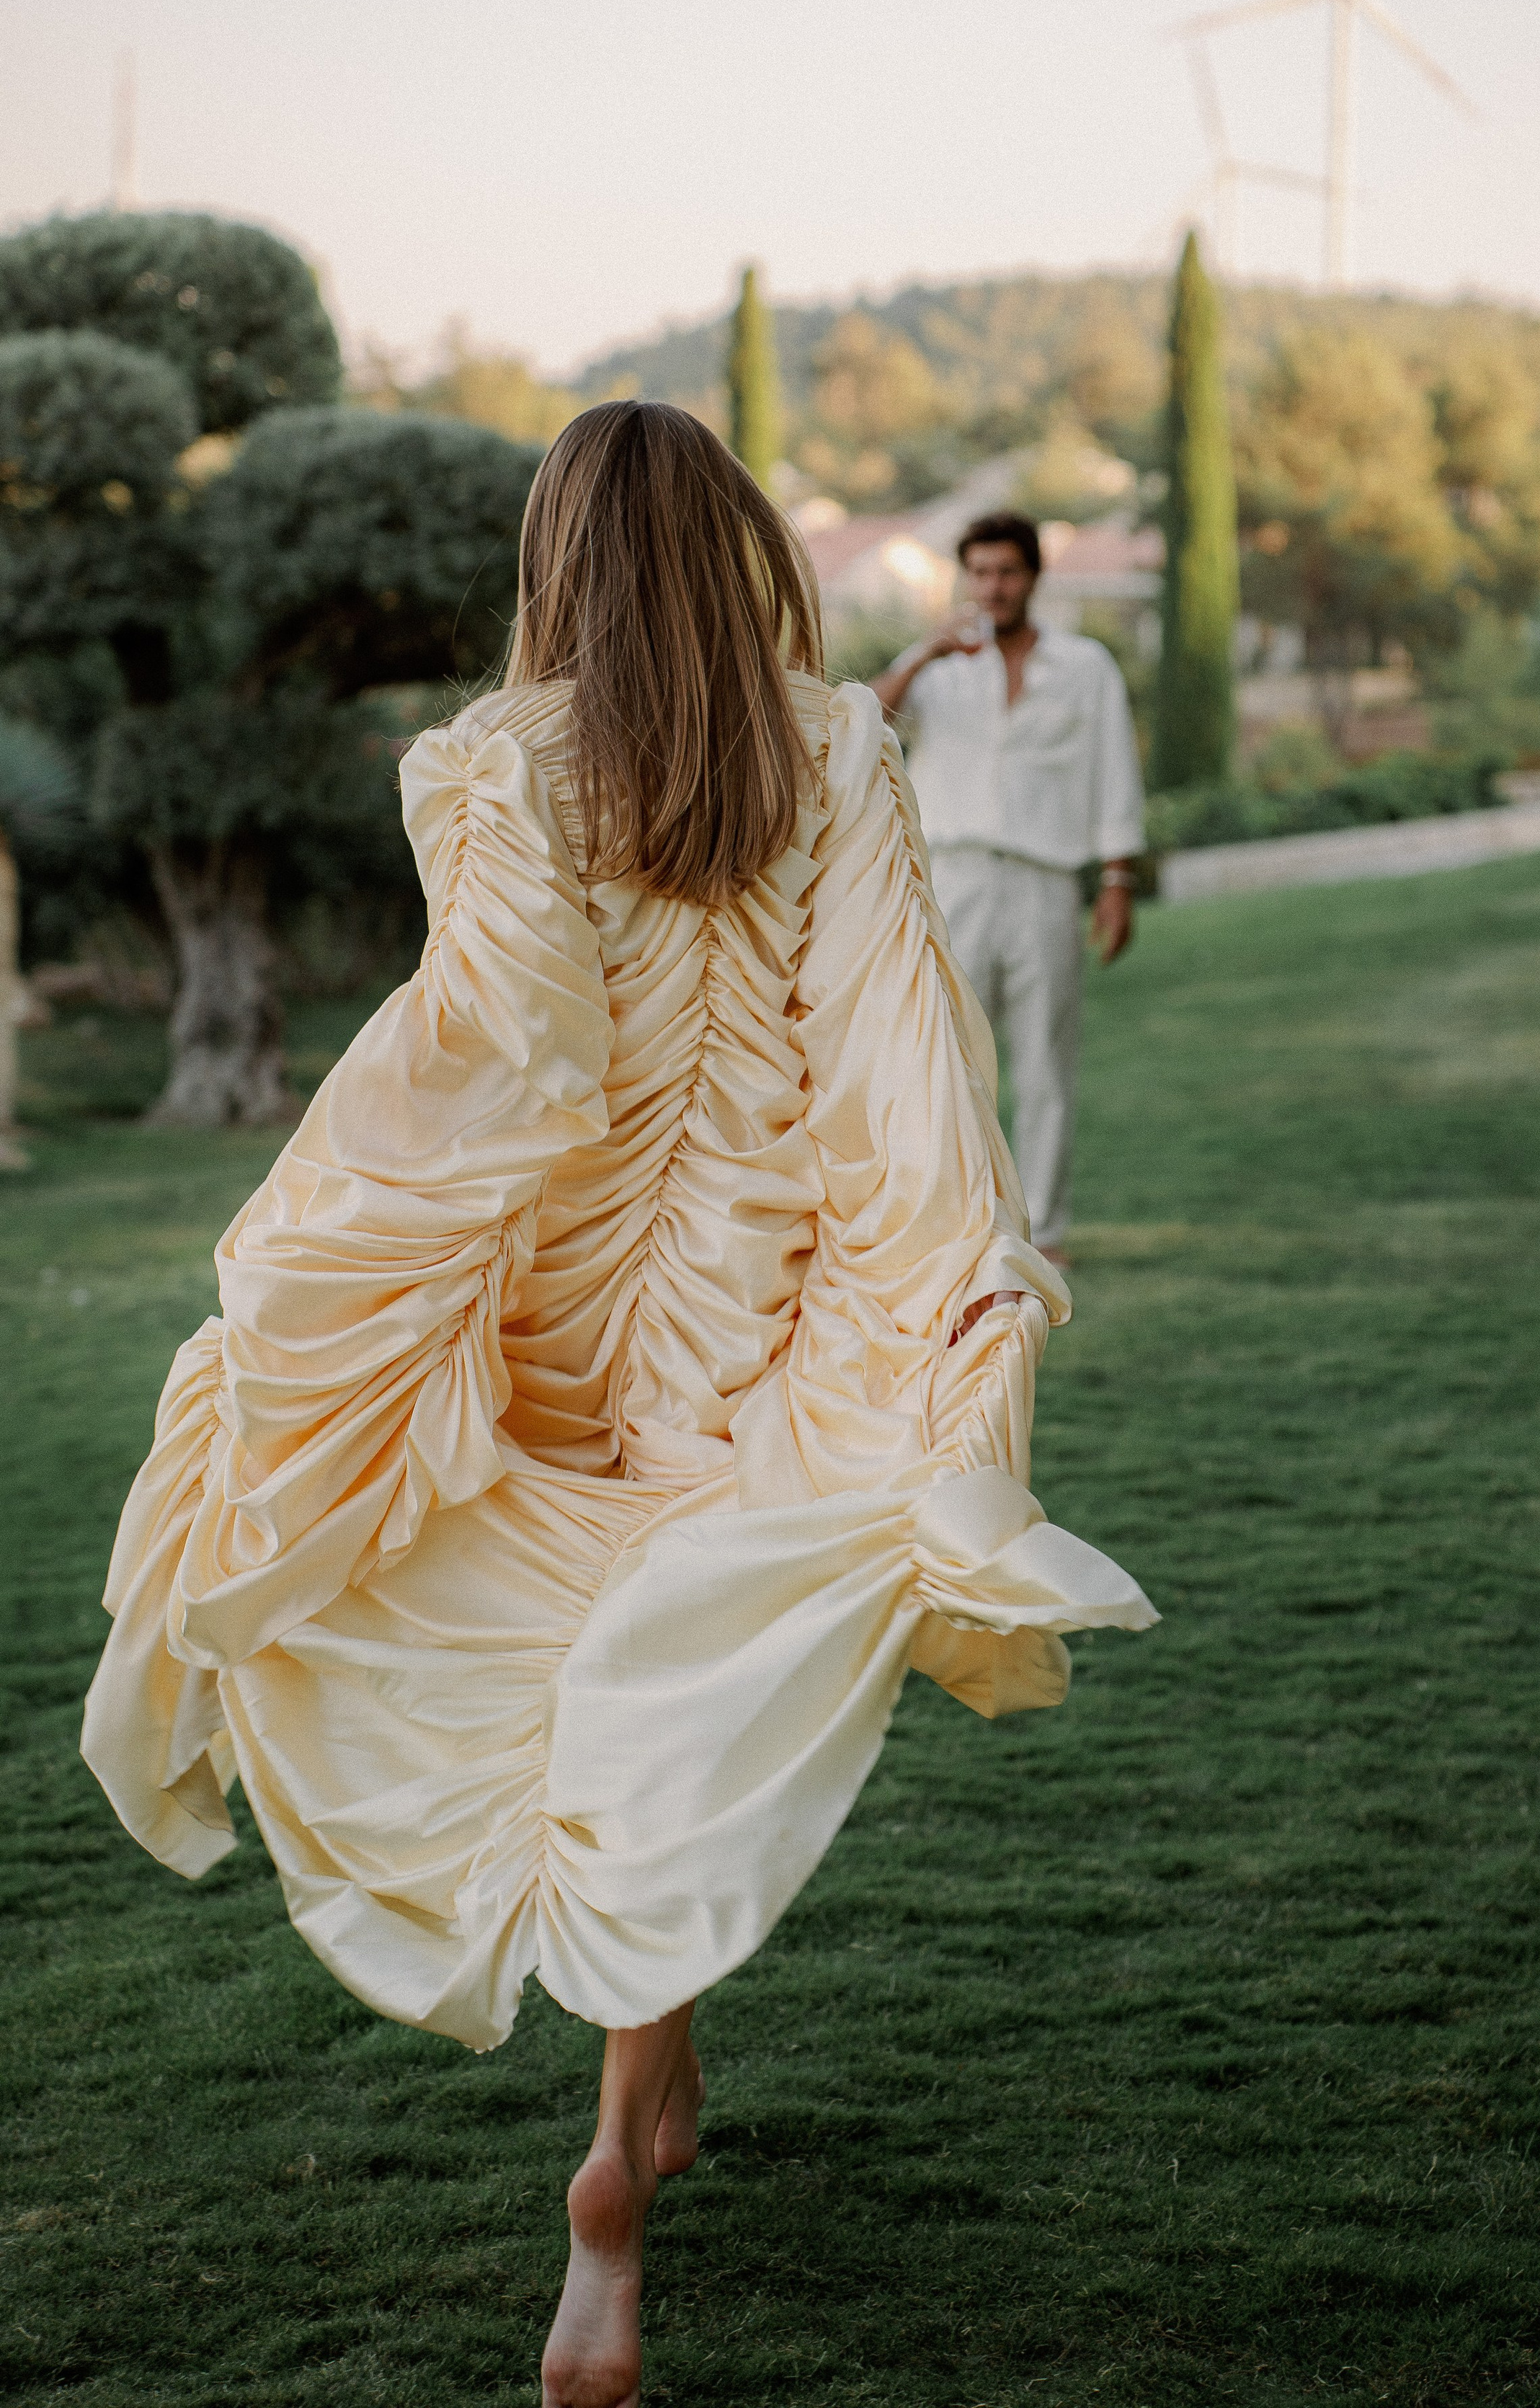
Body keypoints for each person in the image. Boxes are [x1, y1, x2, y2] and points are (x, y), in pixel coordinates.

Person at [80, 404, 1154, 2408]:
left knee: (590, 1678)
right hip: (777, 1315)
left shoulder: (492, 761)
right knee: (698, 1684)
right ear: (736, 541)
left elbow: (491, 1051)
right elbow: (894, 1051)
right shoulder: (833, 744)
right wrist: (960, 1270)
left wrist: (331, 1254)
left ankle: (627, 2149)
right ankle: (613, 2187)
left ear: (556, 556)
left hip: (555, 1319)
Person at [874, 512, 1144, 1263]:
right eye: (981, 573)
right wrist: (927, 649)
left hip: (1045, 881)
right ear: (967, 578)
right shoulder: (941, 663)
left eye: (1007, 573)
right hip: (952, 879)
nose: (993, 588)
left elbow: (1113, 770)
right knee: (947, 1059)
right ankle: (957, 1226)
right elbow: (864, 721)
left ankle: (1045, 1233)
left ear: (1033, 578)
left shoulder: (1085, 667)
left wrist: (1116, 880)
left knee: (1044, 1060)